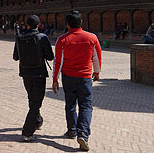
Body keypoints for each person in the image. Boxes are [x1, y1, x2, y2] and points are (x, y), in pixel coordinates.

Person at [52, 11, 102, 151]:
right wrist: (96, 72)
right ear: (81, 22)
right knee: (86, 106)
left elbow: (58, 62)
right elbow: (96, 57)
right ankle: (83, 134)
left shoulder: (62, 40)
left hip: (68, 76)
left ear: (67, 24)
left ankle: (72, 130)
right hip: (85, 77)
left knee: (70, 104)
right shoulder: (92, 37)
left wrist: (55, 79)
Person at [13, 15, 54, 142]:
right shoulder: (42, 37)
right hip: (39, 73)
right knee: (36, 102)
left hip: (25, 73)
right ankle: (27, 132)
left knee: (32, 99)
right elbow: (50, 57)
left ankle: (37, 121)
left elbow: (15, 57)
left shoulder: (19, 38)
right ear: (39, 25)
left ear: (27, 25)